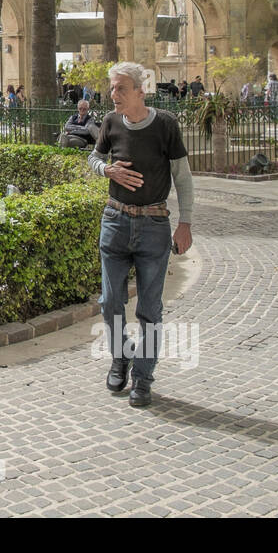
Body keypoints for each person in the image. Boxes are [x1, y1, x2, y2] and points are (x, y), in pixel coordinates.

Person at [88, 61, 194, 408]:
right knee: (110, 302)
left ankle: (143, 379)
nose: (113, 95)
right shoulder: (110, 122)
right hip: (115, 222)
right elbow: (93, 158)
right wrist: (108, 170)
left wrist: (185, 223)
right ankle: (121, 358)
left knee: (149, 310)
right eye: (112, 88)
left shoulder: (165, 125)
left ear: (139, 91)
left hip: (154, 226)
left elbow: (183, 178)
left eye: (120, 88)